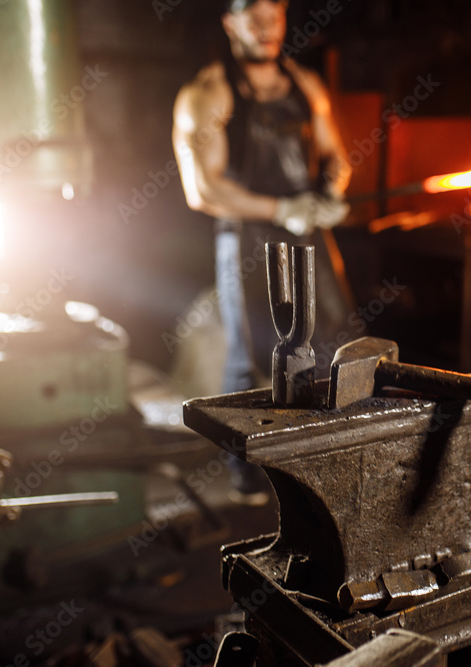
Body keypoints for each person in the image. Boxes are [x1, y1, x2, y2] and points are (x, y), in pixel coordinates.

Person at [173, 0, 352, 503]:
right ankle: (246, 477)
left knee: (331, 343)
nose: (268, 26)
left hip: (308, 233)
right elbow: (202, 189)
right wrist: (279, 207)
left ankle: (313, 466)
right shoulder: (208, 93)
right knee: (251, 355)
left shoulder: (305, 85)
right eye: (254, 17)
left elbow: (337, 156)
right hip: (249, 239)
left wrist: (331, 193)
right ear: (230, 24)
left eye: (275, 14)